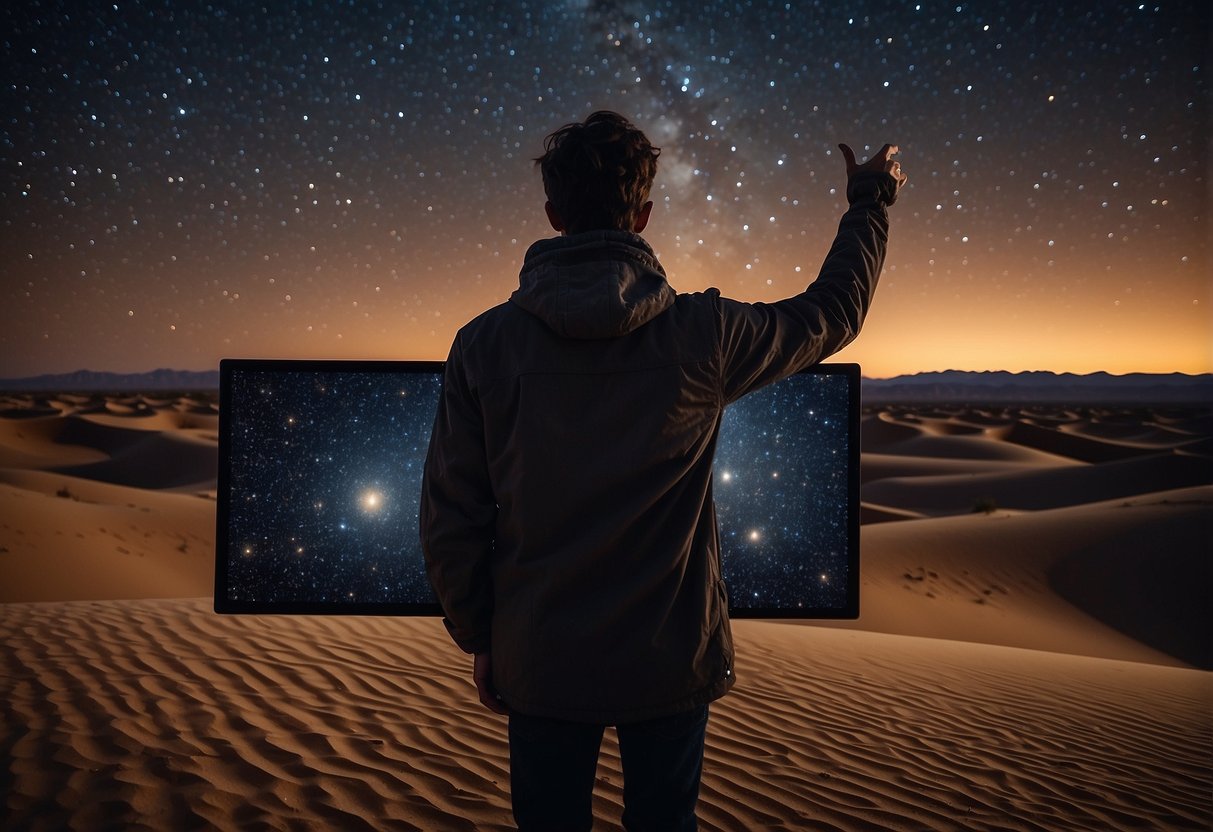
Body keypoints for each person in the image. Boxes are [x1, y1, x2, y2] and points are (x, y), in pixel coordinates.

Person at [420, 110, 905, 831]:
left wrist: (482, 638)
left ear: (552, 214)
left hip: (540, 659)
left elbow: (451, 515)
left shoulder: (484, 345)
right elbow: (832, 314)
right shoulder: (705, 335)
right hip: (670, 660)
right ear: (643, 214)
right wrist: (869, 203)